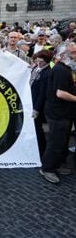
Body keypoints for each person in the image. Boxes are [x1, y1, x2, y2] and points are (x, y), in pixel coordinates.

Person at [40, 43, 76, 184]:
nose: (75, 56)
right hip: (57, 114)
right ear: (62, 56)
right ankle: (47, 168)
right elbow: (60, 93)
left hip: (63, 113)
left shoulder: (65, 68)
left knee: (62, 142)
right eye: (73, 53)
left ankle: (56, 165)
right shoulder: (61, 70)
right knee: (56, 142)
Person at [30, 50, 52, 158]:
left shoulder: (47, 73)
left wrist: (37, 109)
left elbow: (43, 94)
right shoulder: (36, 68)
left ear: (46, 61)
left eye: (41, 60)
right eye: (38, 59)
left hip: (37, 105)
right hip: (31, 101)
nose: (38, 61)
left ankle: (41, 151)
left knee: (37, 129)